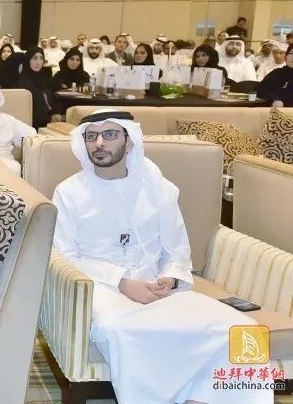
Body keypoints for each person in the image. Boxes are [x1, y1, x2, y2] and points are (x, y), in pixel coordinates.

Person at [52, 108, 272, 404]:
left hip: (159, 290)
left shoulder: (159, 189)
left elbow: (177, 249)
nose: (99, 143)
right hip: (101, 290)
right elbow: (65, 256)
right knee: (123, 330)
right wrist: (122, 282)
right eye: (92, 136)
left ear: (129, 140)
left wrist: (170, 277)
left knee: (244, 330)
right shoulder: (69, 192)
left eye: (110, 134)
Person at [15, 47, 62, 128]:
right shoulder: (22, 84)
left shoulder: (45, 79)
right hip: (34, 126)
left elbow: (53, 100)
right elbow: (27, 112)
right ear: (27, 60)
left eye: (41, 58)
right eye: (34, 58)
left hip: (51, 122)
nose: (38, 62)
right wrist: (49, 119)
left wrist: (56, 113)